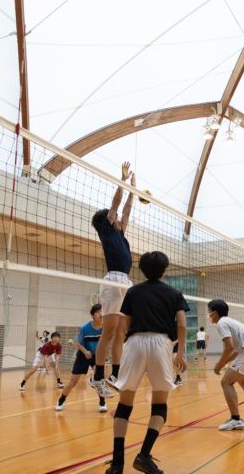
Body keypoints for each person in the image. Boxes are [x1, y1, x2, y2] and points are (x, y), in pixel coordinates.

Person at [104, 251, 187, 474]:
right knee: (160, 404)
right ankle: (144, 455)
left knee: (125, 405)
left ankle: (117, 464)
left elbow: (122, 330)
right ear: (165, 269)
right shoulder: (174, 293)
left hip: (135, 343)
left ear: (142, 269)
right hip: (161, 344)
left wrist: (119, 363)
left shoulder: (133, 292)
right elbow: (181, 326)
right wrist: (178, 354)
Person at [90, 162, 136, 398]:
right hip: (113, 281)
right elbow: (116, 206)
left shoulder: (121, 232)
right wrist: (123, 180)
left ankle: (115, 374)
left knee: (121, 334)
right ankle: (97, 376)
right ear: (107, 221)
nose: (119, 219)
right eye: (115, 217)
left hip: (125, 283)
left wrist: (133, 191)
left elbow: (126, 210)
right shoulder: (107, 230)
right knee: (108, 333)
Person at [208, 299, 244, 431]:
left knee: (226, 382)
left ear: (214, 313)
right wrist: (227, 362)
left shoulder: (221, 323)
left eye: (209, 311)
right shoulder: (230, 321)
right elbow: (236, 350)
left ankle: (235, 420)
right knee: (242, 380)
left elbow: (229, 347)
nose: (208, 315)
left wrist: (219, 364)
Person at [55, 304, 109, 412]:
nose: (101, 313)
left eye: (102, 311)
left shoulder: (106, 327)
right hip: (83, 356)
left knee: (99, 379)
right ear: (92, 315)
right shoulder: (85, 328)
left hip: (97, 356)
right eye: (98, 312)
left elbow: (105, 342)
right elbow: (79, 343)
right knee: (73, 382)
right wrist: (85, 352)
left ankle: (102, 403)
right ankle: (61, 400)